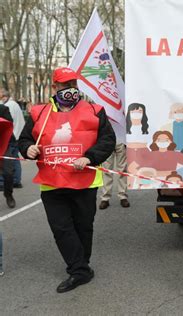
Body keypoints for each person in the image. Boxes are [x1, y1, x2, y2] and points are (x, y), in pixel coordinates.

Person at [18, 67, 115, 293]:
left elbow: (108, 140)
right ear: (55, 87)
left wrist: (89, 157)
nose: (70, 89)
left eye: (73, 84)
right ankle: (78, 270)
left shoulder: (94, 109)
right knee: (61, 228)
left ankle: (82, 265)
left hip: (85, 181)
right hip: (52, 182)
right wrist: (28, 149)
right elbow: (24, 140)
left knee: (83, 227)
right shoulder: (39, 112)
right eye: (65, 85)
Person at [99, 120, 130, 210]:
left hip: (121, 138)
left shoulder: (123, 106)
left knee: (123, 170)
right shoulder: (103, 106)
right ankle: (105, 198)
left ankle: (123, 196)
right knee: (106, 170)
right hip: (107, 139)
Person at [0, 88, 25, 188]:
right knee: (15, 159)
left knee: (8, 160)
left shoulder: (8, 105)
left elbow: (8, 122)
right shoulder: (14, 104)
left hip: (10, 136)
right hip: (16, 134)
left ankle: (7, 181)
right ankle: (16, 180)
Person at [0, 104, 16, 208]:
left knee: (8, 172)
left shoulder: (3, 109)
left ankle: (8, 194)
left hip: (4, 143)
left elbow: (9, 123)